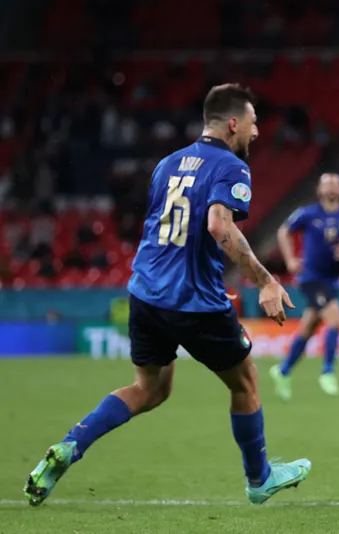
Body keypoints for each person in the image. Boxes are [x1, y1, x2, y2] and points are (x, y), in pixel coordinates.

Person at [23, 84, 310, 506]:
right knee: (246, 382)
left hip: (146, 293)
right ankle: (259, 478)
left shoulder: (167, 164)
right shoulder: (231, 166)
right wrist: (266, 279)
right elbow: (218, 225)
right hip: (194, 299)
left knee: (150, 388)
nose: (256, 132)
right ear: (232, 123)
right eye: (252, 123)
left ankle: (71, 444)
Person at [270, 173, 339, 400]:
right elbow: (283, 231)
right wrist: (290, 259)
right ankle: (328, 372)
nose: (331, 187)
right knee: (336, 320)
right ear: (319, 190)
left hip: (332, 280)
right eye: (327, 183)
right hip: (310, 278)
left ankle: (283, 371)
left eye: (336, 183)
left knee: (308, 328)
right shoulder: (307, 213)